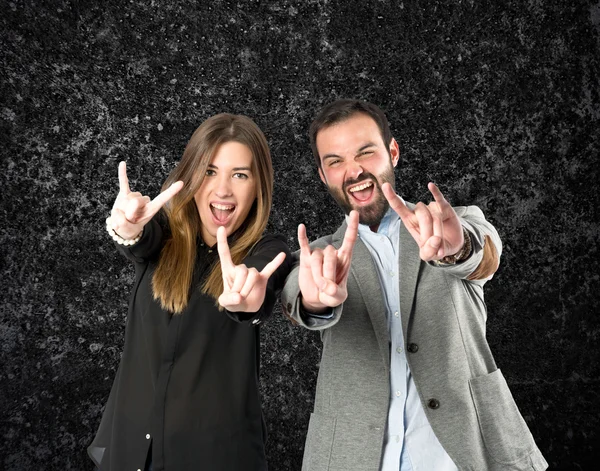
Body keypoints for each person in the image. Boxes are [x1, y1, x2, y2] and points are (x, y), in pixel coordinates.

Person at [281, 99, 548, 470]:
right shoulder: (319, 255)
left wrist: (457, 250)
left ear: (393, 152)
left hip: (465, 453)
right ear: (323, 175)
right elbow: (298, 295)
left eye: (366, 152)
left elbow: (484, 255)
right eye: (335, 161)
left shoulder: (451, 225)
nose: (354, 171)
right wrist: (315, 301)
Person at [89, 113, 291, 471]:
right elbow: (139, 240)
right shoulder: (162, 234)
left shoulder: (268, 249)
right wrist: (126, 227)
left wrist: (248, 294)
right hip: (131, 452)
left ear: (259, 185)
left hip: (215, 457)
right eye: (210, 171)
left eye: (239, 174)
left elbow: (261, 282)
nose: (223, 190)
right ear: (192, 175)